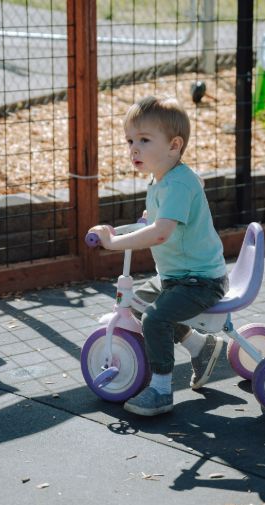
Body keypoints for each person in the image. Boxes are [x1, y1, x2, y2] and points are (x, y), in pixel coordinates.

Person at [89, 95, 228, 416]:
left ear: (174, 145)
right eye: (130, 141)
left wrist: (115, 243)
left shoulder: (177, 183)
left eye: (144, 140)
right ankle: (201, 347)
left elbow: (162, 232)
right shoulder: (162, 179)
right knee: (137, 305)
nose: (133, 148)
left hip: (200, 281)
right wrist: (141, 222)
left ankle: (162, 390)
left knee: (154, 318)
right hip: (177, 277)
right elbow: (159, 219)